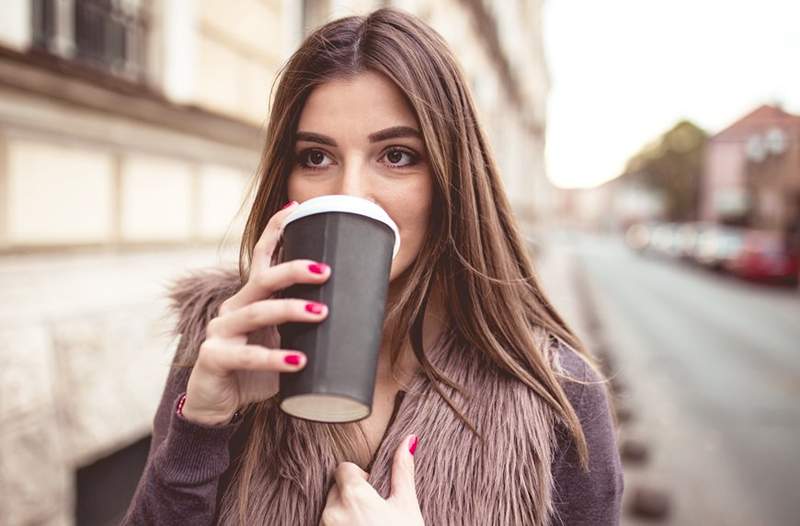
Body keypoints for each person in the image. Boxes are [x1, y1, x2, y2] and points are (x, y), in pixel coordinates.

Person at [123, 7, 623, 526]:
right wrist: (200, 428)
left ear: (451, 178)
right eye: (316, 157)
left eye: (397, 155)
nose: (351, 193)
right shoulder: (227, 340)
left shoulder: (559, 397)